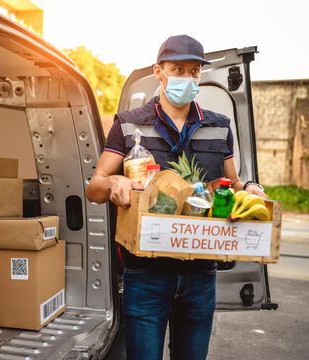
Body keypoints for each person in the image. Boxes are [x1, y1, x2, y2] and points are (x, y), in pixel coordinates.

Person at [85, 34, 267, 360]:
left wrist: (250, 188)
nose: (187, 77)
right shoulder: (128, 125)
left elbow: (232, 183)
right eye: (178, 68)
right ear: (159, 71)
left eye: (194, 71)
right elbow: (93, 187)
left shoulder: (219, 126)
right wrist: (113, 182)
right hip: (146, 275)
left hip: (201, 275)